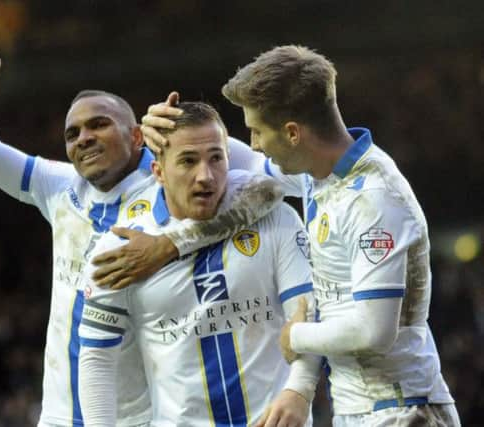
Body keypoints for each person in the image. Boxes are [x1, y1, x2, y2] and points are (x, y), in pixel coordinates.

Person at [0, 48, 284, 427]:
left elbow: (272, 187)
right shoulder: (58, 185)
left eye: (99, 124)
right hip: (58, 414)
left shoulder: (172, 181)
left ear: (138, 134)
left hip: (137, 415)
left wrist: (170, 244)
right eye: (73, 133)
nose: (84, 138)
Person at [141, 45, 461, 426]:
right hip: (362, 409)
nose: (255, 143)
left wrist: (297, 337)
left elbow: (375, 331)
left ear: (292, 133)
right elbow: (236, 162)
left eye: (258, 131)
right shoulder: (318, 173)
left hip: (406, 411)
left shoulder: (374, 200)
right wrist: (165, 129)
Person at [78, 102, 321, 427]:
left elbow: (307, 312)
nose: (205, 176)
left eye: (216, 158)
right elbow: (96, 360)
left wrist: (298, 391)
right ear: (158, 171)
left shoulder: (274, 218)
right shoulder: (119, 250)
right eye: (188, 161)